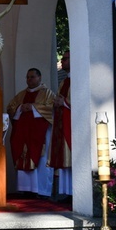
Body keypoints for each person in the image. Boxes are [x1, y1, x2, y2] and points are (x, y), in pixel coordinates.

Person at [6, 68, 55, 196]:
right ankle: (26, 189)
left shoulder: (47, 93)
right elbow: (10, 108)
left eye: (32, 77)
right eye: (27, 77)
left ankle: (41, 191)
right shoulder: (21, 95)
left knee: (42, 159)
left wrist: (33, 107)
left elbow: (52, 108)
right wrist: (19, 108)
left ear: (40, 78)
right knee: (23, 157)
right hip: (22, 134)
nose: (29, 80)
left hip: (40, 134)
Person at [48, 51, 72, 201]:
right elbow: (59, 99)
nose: (62, 61)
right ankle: (66, 192)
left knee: (70, 156)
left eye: (65, 59)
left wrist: (62, 102)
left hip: (70, 124)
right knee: (63, 157)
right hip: (61, 122)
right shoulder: (64, 82)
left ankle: (74, 192)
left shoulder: (79, 79)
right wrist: (57, 102)